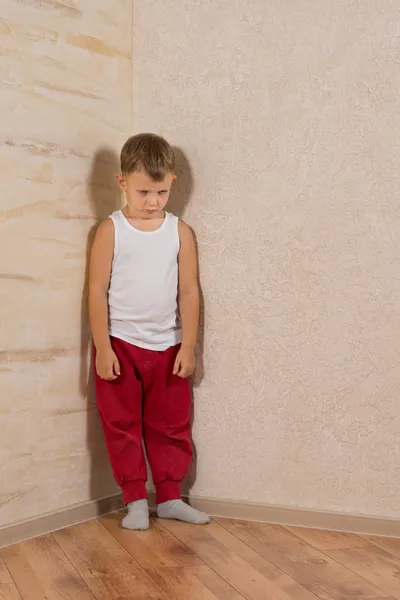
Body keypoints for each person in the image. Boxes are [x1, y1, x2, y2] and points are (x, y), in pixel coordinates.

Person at [88, 133, 210, 530]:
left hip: (168, 346)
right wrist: (102, 347)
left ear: (172, 181)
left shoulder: (179, 232)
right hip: (120, 345)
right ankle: (135, 500)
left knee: (171, 422)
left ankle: (171, 496)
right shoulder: (111, 230)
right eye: (143, 191)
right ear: (122, 181)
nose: (153, 201)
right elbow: (96, 290)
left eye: (161, 191)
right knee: (121, 423)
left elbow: (189, 290)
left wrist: (188, 346)